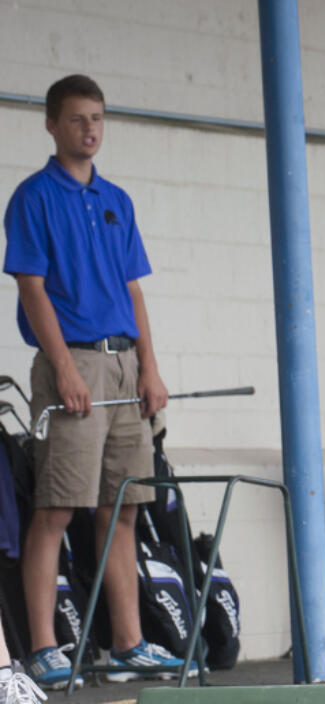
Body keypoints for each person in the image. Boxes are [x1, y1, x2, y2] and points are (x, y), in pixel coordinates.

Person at [3, 75, 195, 688]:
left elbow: (134, 288)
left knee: (124, 509)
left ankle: (127, 645)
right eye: (80, 119)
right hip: (75, 363)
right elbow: (31, 288)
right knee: (58, 508)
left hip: (124, 364)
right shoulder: (33, 197)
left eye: (99, 119)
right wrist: (61, 368)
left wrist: (151, 366)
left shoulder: (116, 198)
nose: (91, 129)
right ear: (53, 125)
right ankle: (41, 648)